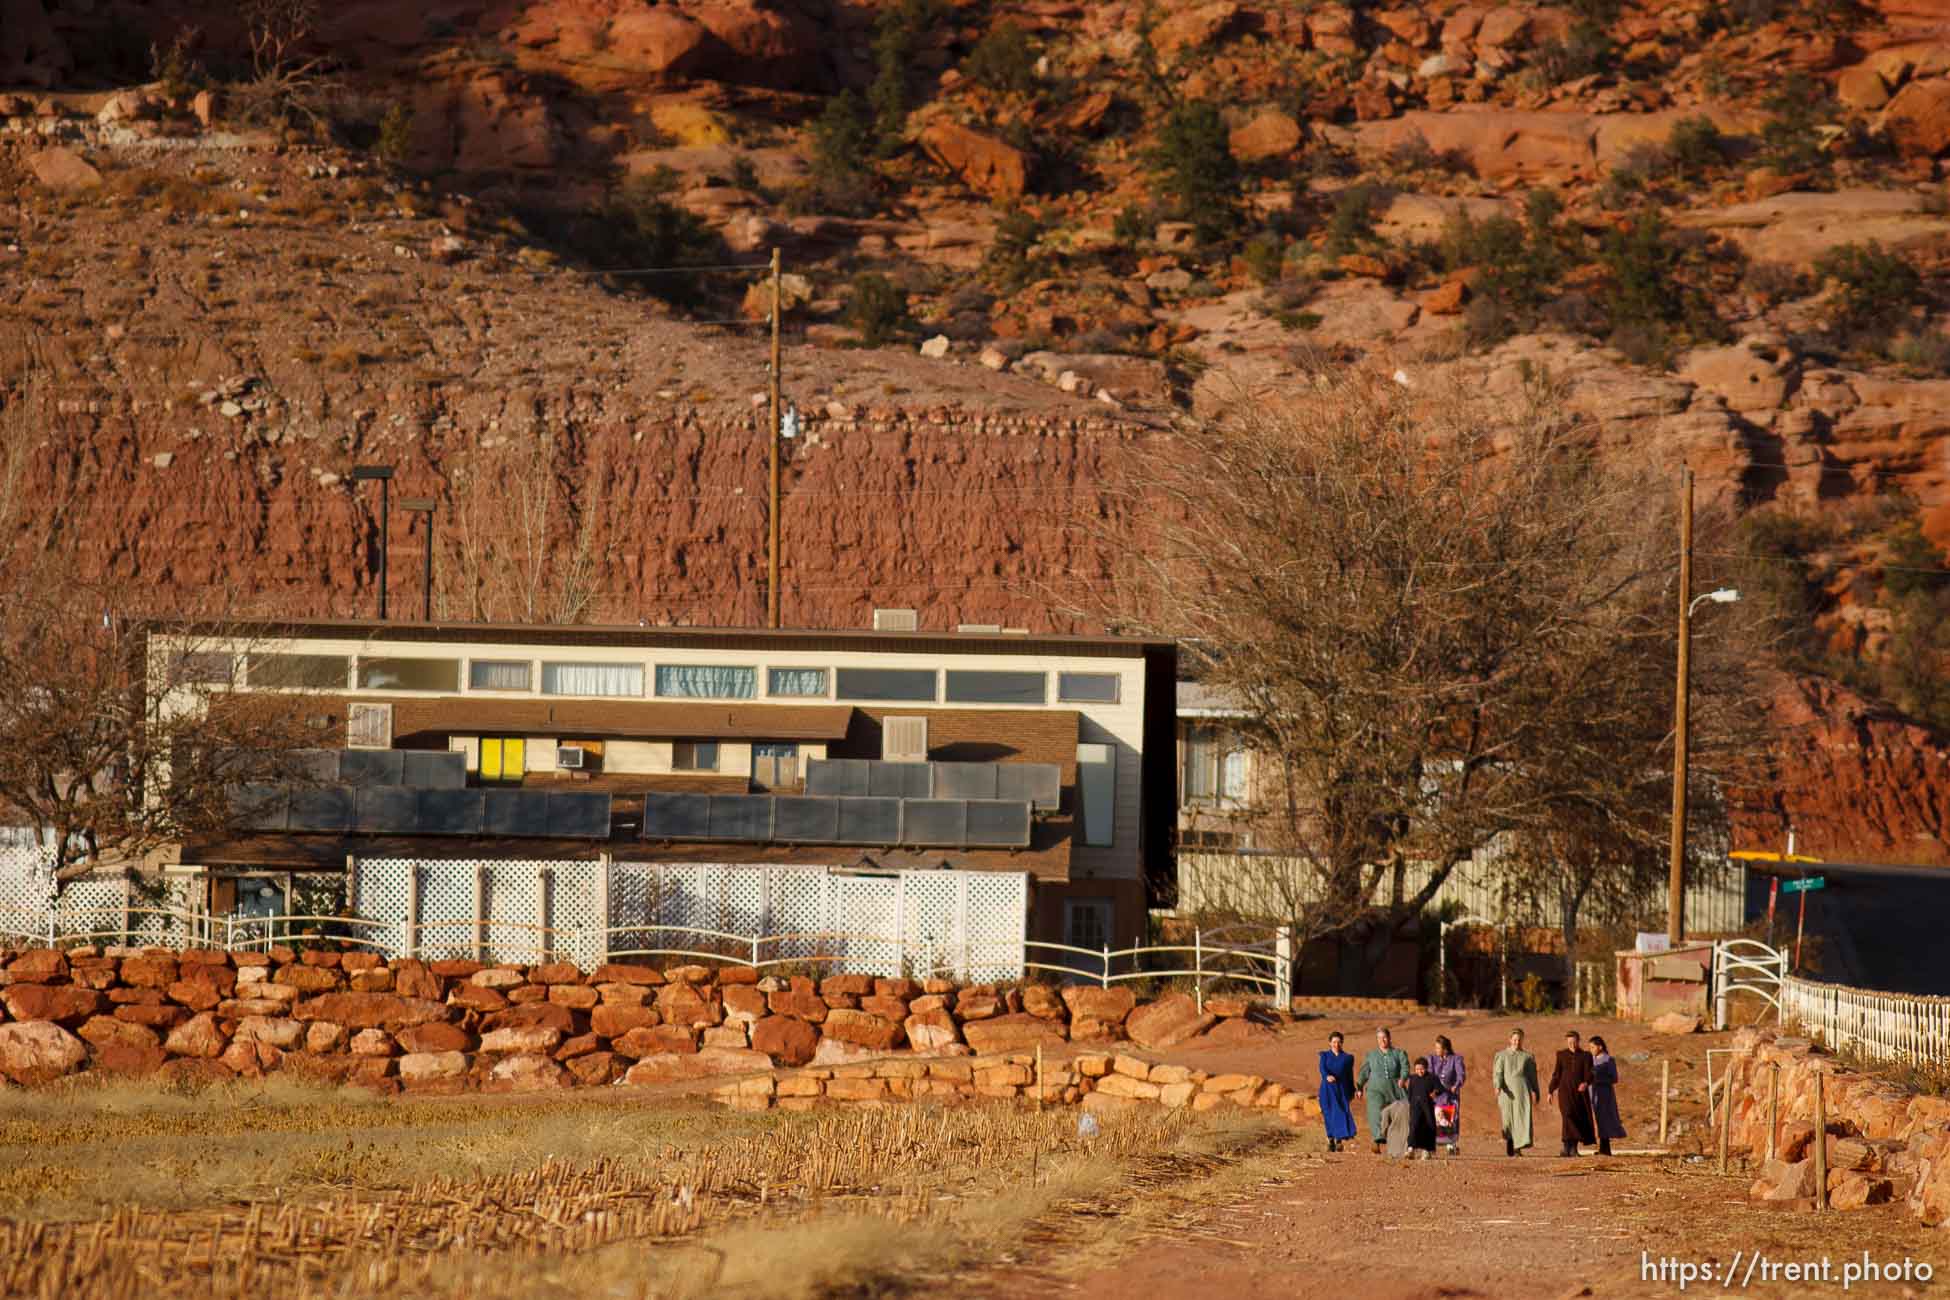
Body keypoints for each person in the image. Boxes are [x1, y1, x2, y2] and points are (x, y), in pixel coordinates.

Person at [1356, 1027, 1410, 1155]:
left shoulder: (1399, 1053)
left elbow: (1405, 1067)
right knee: (1374, 1109)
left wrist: (1403, 1078)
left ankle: (1403, 1143)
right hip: (1376, 1087)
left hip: (1396, 1087)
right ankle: (1377, 1138)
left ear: (1389, 1038)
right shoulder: (1371, 1055)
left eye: (1384, 1037)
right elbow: (1364, 1072)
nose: (1382, 1040)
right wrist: (1359, 1087)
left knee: (1404, 1110)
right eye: (1379, 1038)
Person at [1548, 1028, 1597, 1157]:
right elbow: (1557, 1075)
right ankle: (1566, 1147)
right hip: (1565, 1093)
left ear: (1578, 1041)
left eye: (1574, 1042)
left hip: (1580, 1094)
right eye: (1569, 1042)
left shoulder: (1586, 1056)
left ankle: (1572, 1149)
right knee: (1567, 1116)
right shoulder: (1561, 1055)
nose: (1572, 1044)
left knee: (1577, 1118)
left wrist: (1586, 1083)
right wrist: (1550, 1090)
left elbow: (1591, 1073)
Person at [1492, 1027, 1539, 1157]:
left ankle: (1517, 1149)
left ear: (1522, 1040)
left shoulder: (1527, 1057)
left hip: (1522, 1091)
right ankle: (1510, 1145)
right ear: (1510, 1040)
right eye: (1514, 1039)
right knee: (1507, 1119)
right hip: (1506, 1091)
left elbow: (1532, 1076)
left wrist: (1536, 1090)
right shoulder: (1501, 1055)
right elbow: (1498, 1073)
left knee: (1520, 1118)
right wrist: (1498, 1086)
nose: (1517, 1042)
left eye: (1519, 1040)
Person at [1426, 1034, 1466, 1155]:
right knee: (1435, 1119)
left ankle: (1450, 1144)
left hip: (1450, 1095)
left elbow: (1461, 1075)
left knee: (1450, 1119)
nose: (1436, 1050)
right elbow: (1429, 1075)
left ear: (1445, 1049)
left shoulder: (1456, 1059)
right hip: (1436, 1095)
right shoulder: (1432, 1059)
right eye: (1436, 1047)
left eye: (1438, 1048)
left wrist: (1456, 1085)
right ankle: (1431, 1145)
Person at [1318, 1031, 1358, 1152]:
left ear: (1342, 1043)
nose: (1336, 1044)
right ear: (1330, 1043)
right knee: (1328, 1114)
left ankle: (1339, 1140)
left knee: (1340, 1112)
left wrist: (1352, 1090)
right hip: (1327, 1089)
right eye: (1334, 1042)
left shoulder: (1347, 1058)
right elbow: (1322, 1068)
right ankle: (1330, 1139)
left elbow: (1349, 1075)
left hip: (1341, 1089)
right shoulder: (1324, 1055)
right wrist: (1327, 1076)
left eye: (1339, 1042)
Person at [1589, 1034, 1627, 1157]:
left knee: (1605, 1119)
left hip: (1604, 1094)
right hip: (1593, 1093)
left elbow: (1614, 1078)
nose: (1591, 1050)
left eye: (1593, 1047)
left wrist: (1599, 1080)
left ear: (1600, 1047)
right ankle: (1602, 1148)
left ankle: (1606, 1149)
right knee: (1599, 1120)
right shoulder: (1591, 1060)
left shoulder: (1608, 1060)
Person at [1404, 1057, 1440, 1160]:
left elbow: (1440, 1088)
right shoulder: (1413, 1078)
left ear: (1426, 1068)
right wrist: (1412, 1104)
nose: (1419, 1071)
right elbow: (1409, 1093)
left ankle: (1427, 1151)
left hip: (1427, 1107)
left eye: (1422, 1069)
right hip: (1415, 1107)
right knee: (1414, 1126)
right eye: (1417, 1069)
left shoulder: (1432, 1078)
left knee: (1428, 1127)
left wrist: (1435, 1093)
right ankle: (1410, 1149)